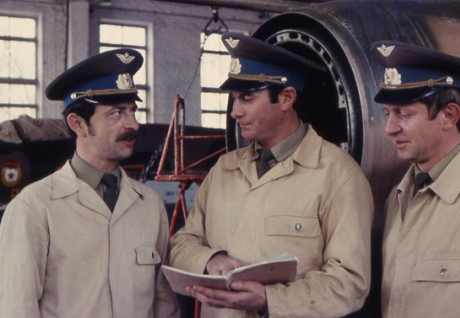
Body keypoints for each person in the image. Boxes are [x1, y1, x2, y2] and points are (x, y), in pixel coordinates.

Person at [169, 33, 374, 318]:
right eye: (233, 99)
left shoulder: (338, 175)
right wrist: (209, 259)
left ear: (287, 98)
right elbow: (181, 243)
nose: (235, 112)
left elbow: (348, 283)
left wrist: (269, 299)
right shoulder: (223, 170)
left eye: (247, 99)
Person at [0, 49, 180, 317]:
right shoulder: (34, 208)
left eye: (133, 111)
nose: (132, 124)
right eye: (117, 113)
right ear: (78, 124)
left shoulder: (150, 205)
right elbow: (17, 310)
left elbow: (165, 307)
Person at [371, 41, 460, 317]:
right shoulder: (399, 196)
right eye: (387, 114)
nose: (389, 129)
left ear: (449, 115)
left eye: (404, 114)